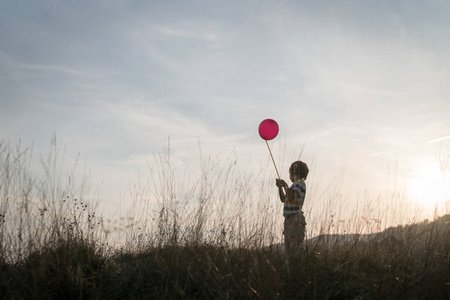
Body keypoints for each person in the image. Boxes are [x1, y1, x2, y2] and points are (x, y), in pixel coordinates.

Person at [276, 160, 308, 256]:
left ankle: (294, 267)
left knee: (294, 249)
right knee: (289, 250)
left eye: (290, 172)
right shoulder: (294, 186)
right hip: (289, 219)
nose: (289, 175)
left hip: (295, 219)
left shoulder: (300, 183)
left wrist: (285, 185)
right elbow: (283, 199)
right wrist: (280, 187)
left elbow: (292, 197)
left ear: (294, 172)